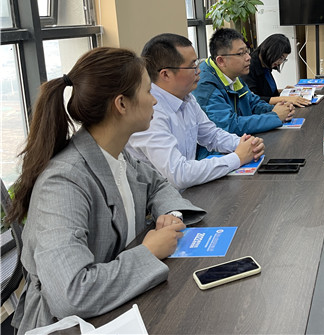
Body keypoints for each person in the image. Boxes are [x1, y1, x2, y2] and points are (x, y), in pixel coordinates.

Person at [6, 48, 206, 334]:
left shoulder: (117, 154)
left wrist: (171, 214)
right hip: (67, 326)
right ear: (121, 104)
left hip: (118, 307)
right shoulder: (62, 182)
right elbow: (72, 293)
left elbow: (158, 185)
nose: (154, 100)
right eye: (148, 91)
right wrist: (149, 252)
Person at [126, 33, 264, 190]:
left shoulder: (187, 98)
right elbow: (179, 174)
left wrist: (246, 144)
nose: (199, 71)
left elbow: (211, 135)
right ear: (166, 74)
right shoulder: (150, 111)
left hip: (187, 192)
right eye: (192, 66)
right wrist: (237, 158)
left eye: (198, 63)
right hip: (160, 201)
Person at [192, 28, 294, 140]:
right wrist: (274, 117)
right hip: (218, 148)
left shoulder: (232, 73)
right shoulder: (205, 85)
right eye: (241, 53)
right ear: (221, 61)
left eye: (247, 51)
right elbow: (229, 126)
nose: (248, 57)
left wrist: (277, 109)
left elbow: (253, 103)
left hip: (241, 141)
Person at [241, 33, 310, 107]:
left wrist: (284, 92)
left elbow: (266, 93)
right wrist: (284, 98)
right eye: (280, 58)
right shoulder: (249, 67)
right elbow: (252, 99)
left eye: (284, 59)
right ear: (270, 51)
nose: (280, 62)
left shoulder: (265, 65)